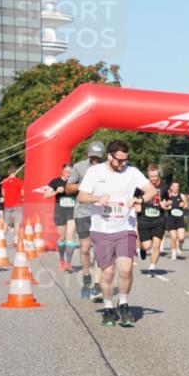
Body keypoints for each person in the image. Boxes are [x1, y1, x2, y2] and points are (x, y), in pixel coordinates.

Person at [76, 140, 158, 327]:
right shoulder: (95, 172)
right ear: (109, 156)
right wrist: (97, 198)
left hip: (125, 227)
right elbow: (81, 196)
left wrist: (140, 199)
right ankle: (107, 308)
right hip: (101, 229)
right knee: (107, 273)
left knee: (126, 268)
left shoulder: (132, 172)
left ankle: (123, 304)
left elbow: (151, 189)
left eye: (125, 160)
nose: (122, 164)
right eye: (119, 160)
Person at [67, 141, 106, 301]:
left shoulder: (107, 170)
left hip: (101, 213)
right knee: (84, 248)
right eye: (93, 157)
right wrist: (84, 184)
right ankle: (86, 275)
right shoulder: (79, 167)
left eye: (98, 158)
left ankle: (97, 285)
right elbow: (69, 188)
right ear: (88, 155)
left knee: (99, 249)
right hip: (82, 212)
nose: (95, 160)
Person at [39, 163, 78, 271]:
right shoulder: (55, 181)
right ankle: (61, 260)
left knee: (70, 236)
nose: (68, 174)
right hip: (60, 212)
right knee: (62, 238)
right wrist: (56, 191)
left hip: (72, 212)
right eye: (66, 172)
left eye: (70, 172)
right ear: (62, 171)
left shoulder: (75, 182)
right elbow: (45, 195)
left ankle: (69, 263)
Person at [137, 164, 171, 276]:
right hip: (144, 220)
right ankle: (142, 249)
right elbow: (134, 198)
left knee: (156, 245)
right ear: (148, 175)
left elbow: (169, 201)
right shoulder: (142, 187)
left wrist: (165, 203)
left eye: (156, 176)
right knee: (147, 246)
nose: (154, 178)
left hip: (158, 220)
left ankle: (152, 267)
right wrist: (136, 205)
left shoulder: (164, 187)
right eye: (152, 176)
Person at [164, 180, 188, 259]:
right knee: (173, 237)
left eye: (177, 186)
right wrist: (168, 207)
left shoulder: (182, 196)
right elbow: (164, 206)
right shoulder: (168, 196)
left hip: (180, 219)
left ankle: (180, 245)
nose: (175, 188)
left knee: (181, 237)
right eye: (174, 186)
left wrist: (183, 205)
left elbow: (186, 205)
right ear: (171, 187)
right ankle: (173, 254)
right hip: (171, 219)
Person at [0, 164, 23, 234]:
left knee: (6, 223)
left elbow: (3, 194)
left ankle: (2, 239)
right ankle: (16, 240)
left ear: (8, 171)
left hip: (7, 205)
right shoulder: (19, 181)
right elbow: (22, 193)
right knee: (17, 223)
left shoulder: (4, 182)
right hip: (17, 205)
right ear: (15, 172)